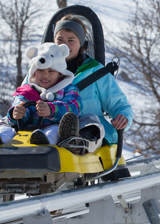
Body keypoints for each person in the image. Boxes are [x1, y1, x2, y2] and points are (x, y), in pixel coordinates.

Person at [0, 42, 82, 146]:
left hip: (52, 126)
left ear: (60, 74)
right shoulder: (27, 90)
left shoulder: (68, 88)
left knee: (54, 131)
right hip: (23, 131)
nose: (45, 75)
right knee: (5, 126)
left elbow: (73, 107)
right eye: (40, 71)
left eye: (51, 71)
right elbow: (19, 103)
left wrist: (51, 109)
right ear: (34, 73)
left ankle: (45, 141)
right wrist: (17, 114)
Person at [52, 15, 133, 151]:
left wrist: (123, 117)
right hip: (50, 131)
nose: (64, 45)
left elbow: (120, 105)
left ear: (81, 43)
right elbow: (25, 95)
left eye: (71, 40)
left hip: (91, 136)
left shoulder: (96, 73)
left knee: (88, 126)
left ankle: (77, 140)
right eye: (60, 40)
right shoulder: (41, 70)